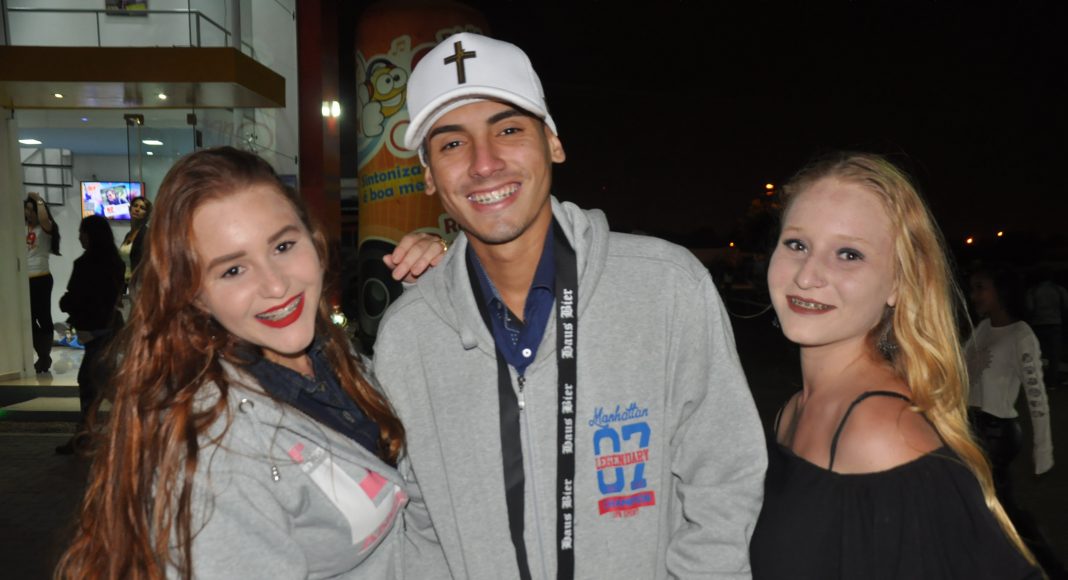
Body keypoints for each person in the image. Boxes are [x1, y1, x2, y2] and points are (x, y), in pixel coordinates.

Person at [374, 32, 766, 579]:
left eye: (508, 129)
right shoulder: (409, 337)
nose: (484, 163)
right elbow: (420, 524)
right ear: (428, 175)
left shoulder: (666, 287)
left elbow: (723, 478)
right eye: (452, 143)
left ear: (553, 142)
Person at [56, 147, 444, 579]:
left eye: (283, 245)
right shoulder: (212, 450)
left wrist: (435, 295)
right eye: (233, 270)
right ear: (194, 295)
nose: (276, 285)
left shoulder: (328, 357)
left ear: (313, 240)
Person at [748, 152, 1041, 578]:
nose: (807, 275)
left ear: (899, 284)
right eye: (797, 244)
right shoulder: (794, 410)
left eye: (849, 254)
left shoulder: (882, 432)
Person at [966, 263, 1065, 577]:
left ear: (1001, 292)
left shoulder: (1021, 335)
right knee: (986, 506)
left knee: (1001, 508)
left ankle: (1047, 566)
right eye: (973, 288)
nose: (974, 295)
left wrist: (1043, 450)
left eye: (981, 288)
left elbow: (1037, 397)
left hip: (997, 434)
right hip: (973, 428)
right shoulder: (983, 328)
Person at [55, 215, 125, 455]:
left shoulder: (84, 264)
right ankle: (88, 434)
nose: (79, 237)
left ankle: (85, 436)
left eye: (82, 232)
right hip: (110, 328)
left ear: (91, 235)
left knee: (91, 383)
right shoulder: (115, 263)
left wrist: (65, 303)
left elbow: (74, 298)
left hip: (94, 330)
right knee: (102, 383)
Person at [24, 191, 61, 373]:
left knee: (43, 317)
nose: (29, 213)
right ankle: (42, 355)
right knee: (29, 319)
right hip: (24, 280)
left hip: (41, 277)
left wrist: (39, 200)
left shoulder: (45, 228)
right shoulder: (22, 228)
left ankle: (44, 356)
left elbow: (45, 220)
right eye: (27, 209)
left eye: (33, 210)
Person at [1025, 270, 1068, 392]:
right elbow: (1066, 306)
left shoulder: (1033, 291)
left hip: (1038, 324)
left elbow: (1030, 307)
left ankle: (1036, 380)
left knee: (1036, 354)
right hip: (1055, 323)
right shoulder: (1059, 290)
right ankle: (1052, 382)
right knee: (1054, 355)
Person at [119, 196, 152, 284]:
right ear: (130, 209)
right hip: (126, 283)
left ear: (146, 214)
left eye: (142, 208)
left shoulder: (147, 234)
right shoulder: (128, 235)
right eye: (135, 206)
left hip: (141, 283)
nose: (137, 209)